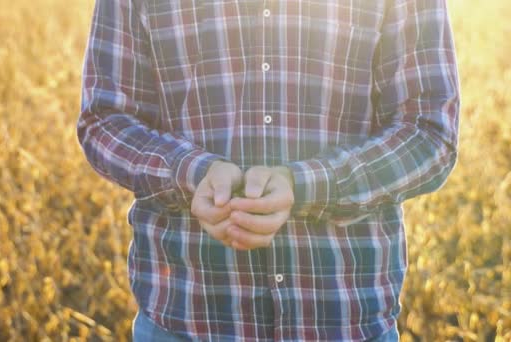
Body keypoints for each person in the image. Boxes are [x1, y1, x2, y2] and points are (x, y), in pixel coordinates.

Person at [76, 0, 460, 340]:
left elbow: (427, 131)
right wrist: (190, 173)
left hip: (343, 318)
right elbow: (105, 119)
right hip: (185, 316)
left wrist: (309, 184)